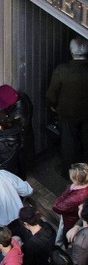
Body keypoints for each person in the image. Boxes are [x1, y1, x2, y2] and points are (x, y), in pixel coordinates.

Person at [46, 37, 88, 171]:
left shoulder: (62, 70)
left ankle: (69, 172)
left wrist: (52, 105)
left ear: (71, 51)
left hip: (67, 113)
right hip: (86, 114)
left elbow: (52, 93)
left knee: (68, 145)